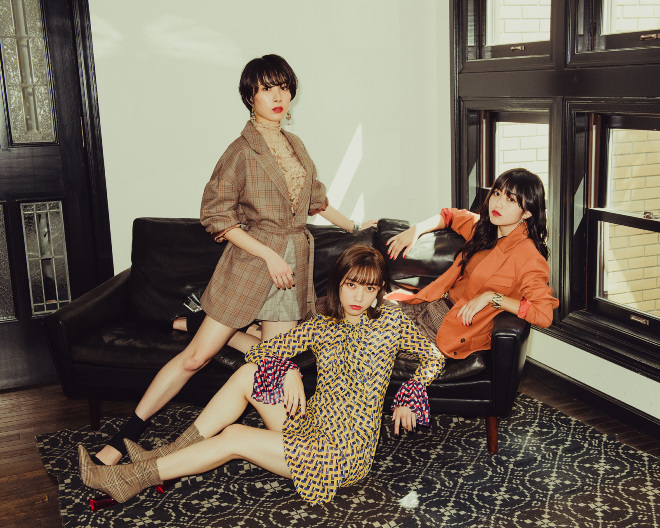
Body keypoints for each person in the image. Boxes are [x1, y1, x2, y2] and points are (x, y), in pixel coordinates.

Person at [94, 54, 375, 465]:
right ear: (250, 97)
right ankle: (123, 439)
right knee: (196, 357)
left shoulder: (296, 146)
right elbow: (216, 216)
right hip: (249, 266)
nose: (277, 97)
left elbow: (316, 200)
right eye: (267, 89)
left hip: (292, 267)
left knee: (274, 364)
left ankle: (284, 452)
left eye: (283, 88)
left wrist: (354, 226)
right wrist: (269, 255)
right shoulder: (241, 152)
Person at [79, 244, 445, 505]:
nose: (359, 297)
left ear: (379, 290)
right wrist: (287, 369)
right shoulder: (323, 325)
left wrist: (411, 391)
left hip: (341, 454)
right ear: (338, 283)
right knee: (248, 374)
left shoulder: (390, 321)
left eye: (369, 288)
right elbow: (265, 350)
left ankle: (131, 478)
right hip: (311, 426)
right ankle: (170, 455)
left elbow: (433, 355)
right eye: (352, 285)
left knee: (235, 436)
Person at [386, 168, 558, 359]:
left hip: (453, 329)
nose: (498, 203)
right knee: (369, 318)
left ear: (526, 213)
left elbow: (543, 314)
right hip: (430, 305)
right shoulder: (484, 229)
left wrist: (492, 297)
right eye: (497, 193)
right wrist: (416, 230)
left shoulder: (528, 256)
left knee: (378, 345)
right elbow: (450, 216)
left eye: (510, 199)